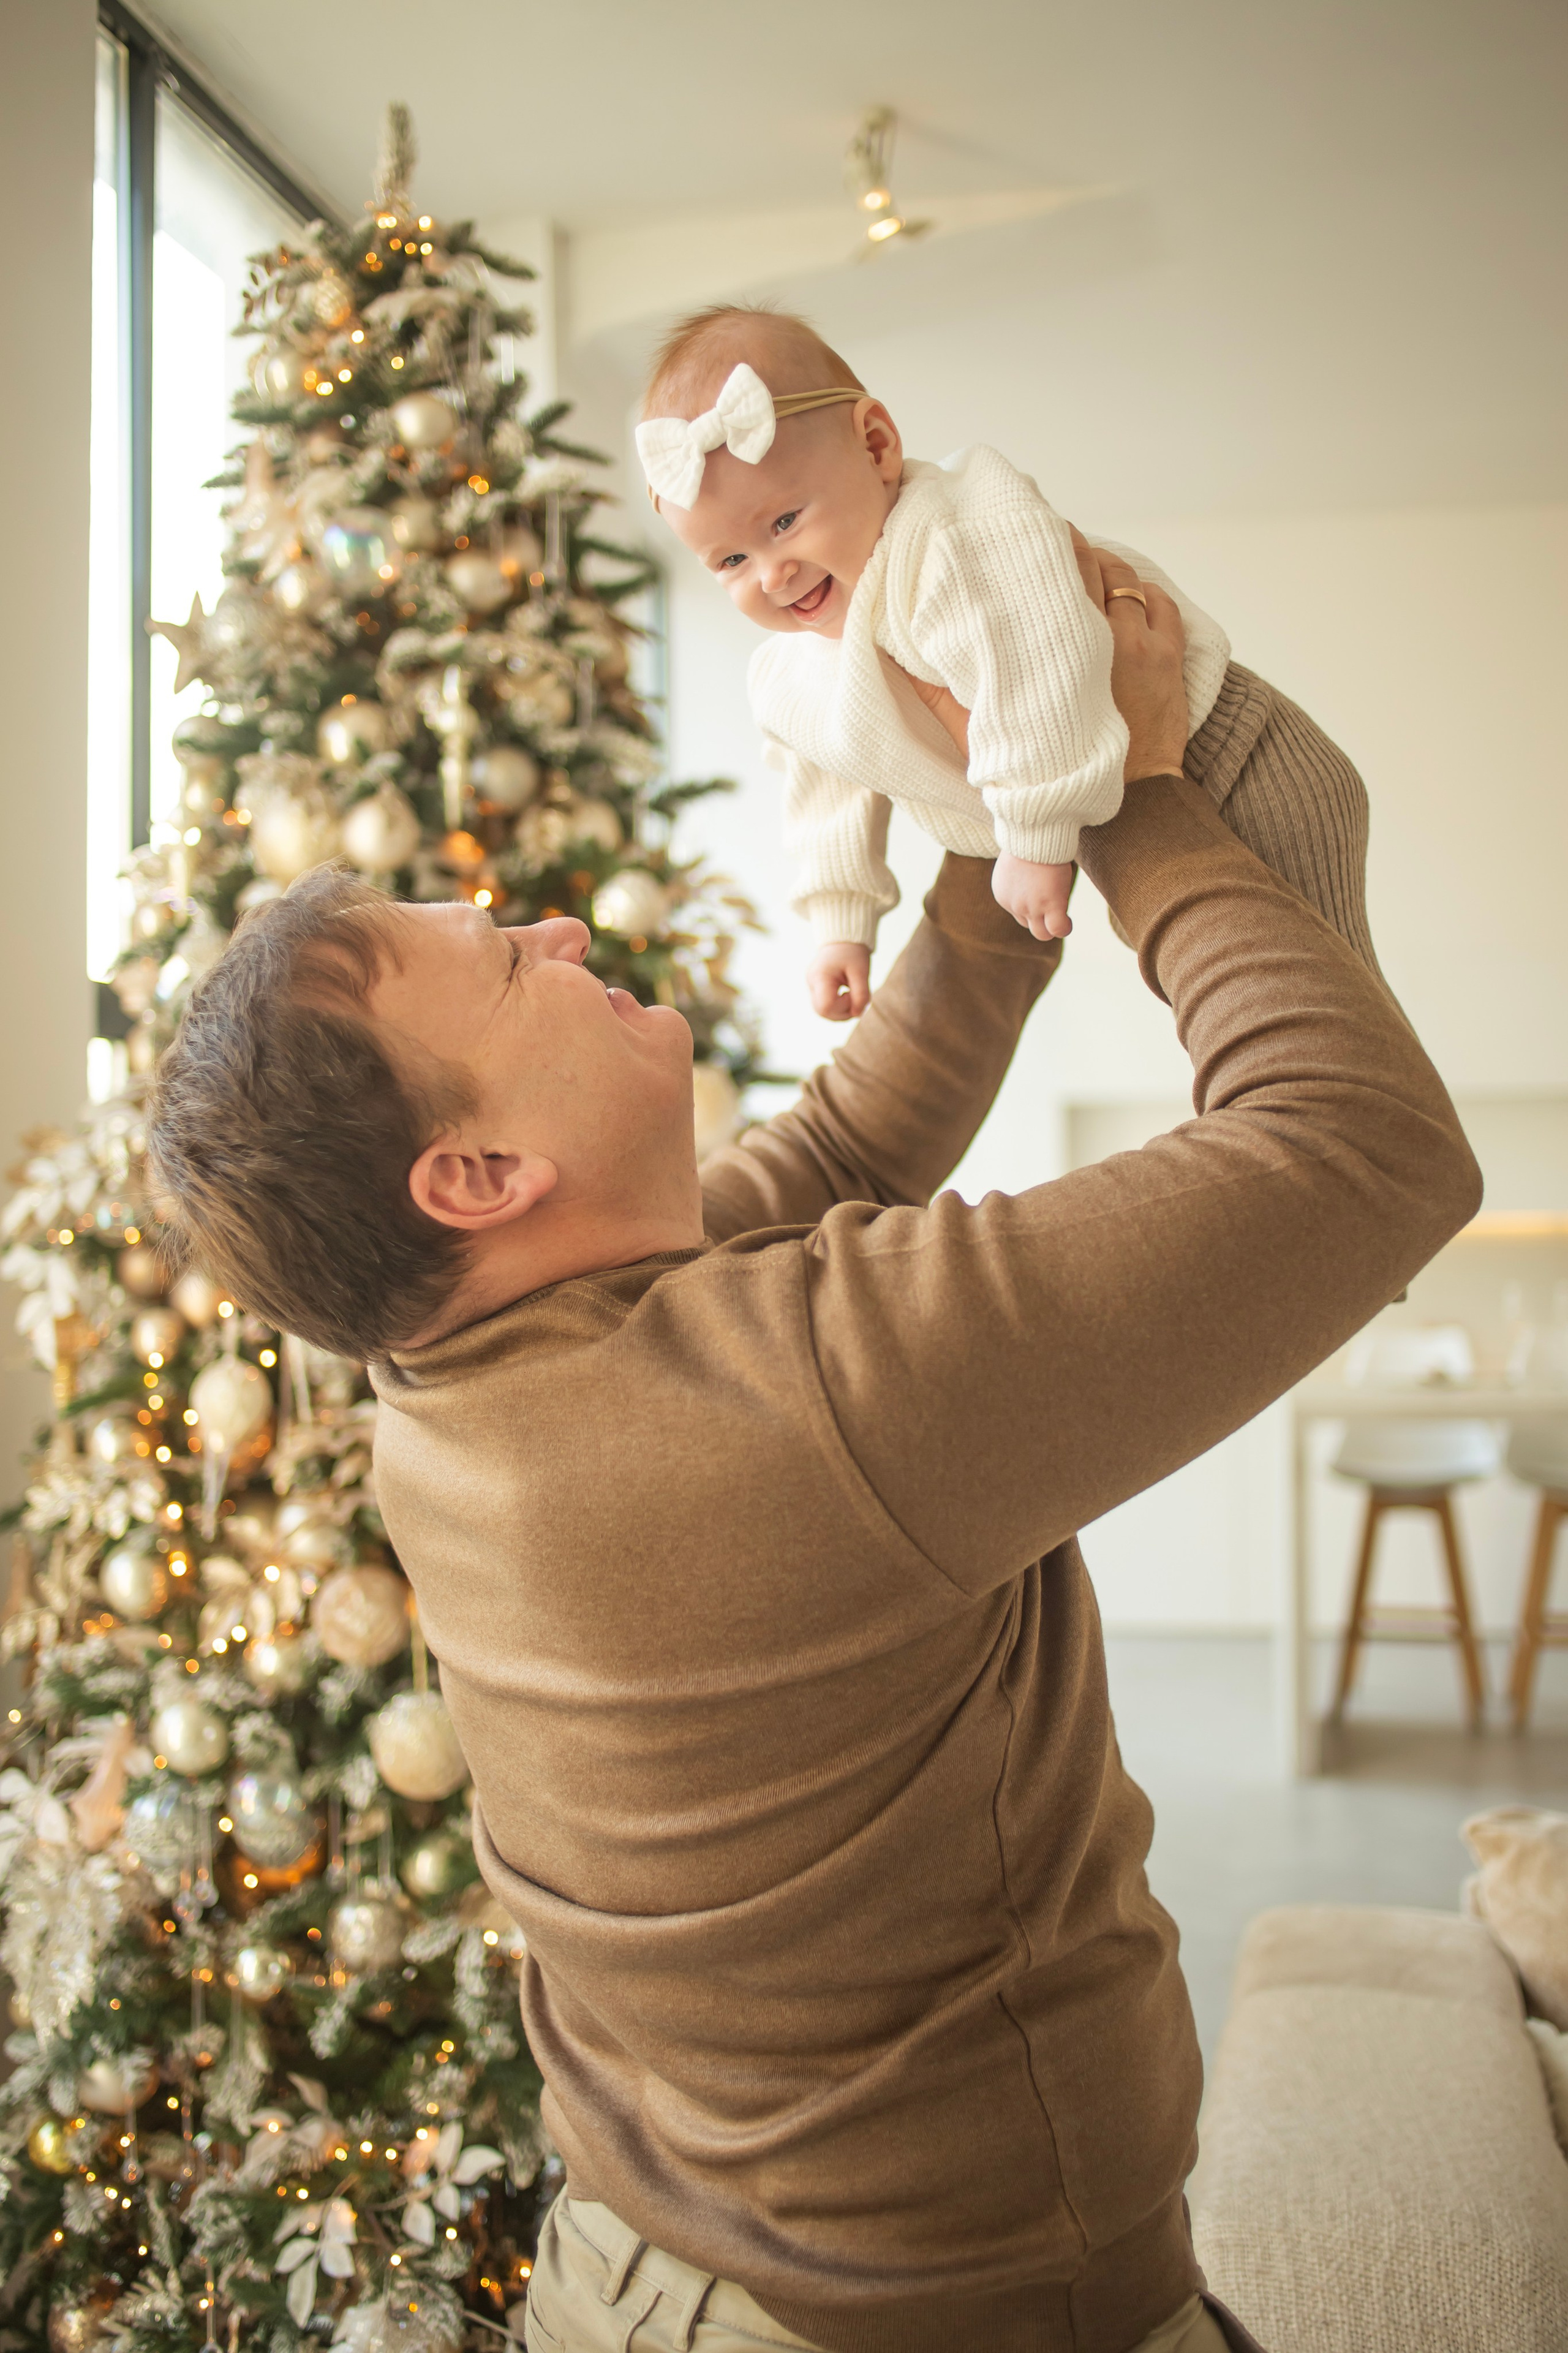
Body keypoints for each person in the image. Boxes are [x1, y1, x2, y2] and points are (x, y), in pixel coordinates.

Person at [147, 555, 1479, 2353]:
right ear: (472, 1176)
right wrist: (1144, 786)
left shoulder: (472, 1365)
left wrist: (1020, 773)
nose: (548, 926)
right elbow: (1362, 1146)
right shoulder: (791, 1396)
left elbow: (865, 1116)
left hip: (647, 2276)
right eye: (499, 961)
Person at [638, 305, 1378, 1018]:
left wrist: (1031, 829)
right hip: (1139, 803)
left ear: (875, 446)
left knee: (1324, 1001)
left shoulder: (949, 534)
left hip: (1240, 762)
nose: (772, 574)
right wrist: (840, 919)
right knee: (1253, 997)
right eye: (731, 558)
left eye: (785, 521)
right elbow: (826, 783)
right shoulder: (793, 674)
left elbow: (1040, 664)